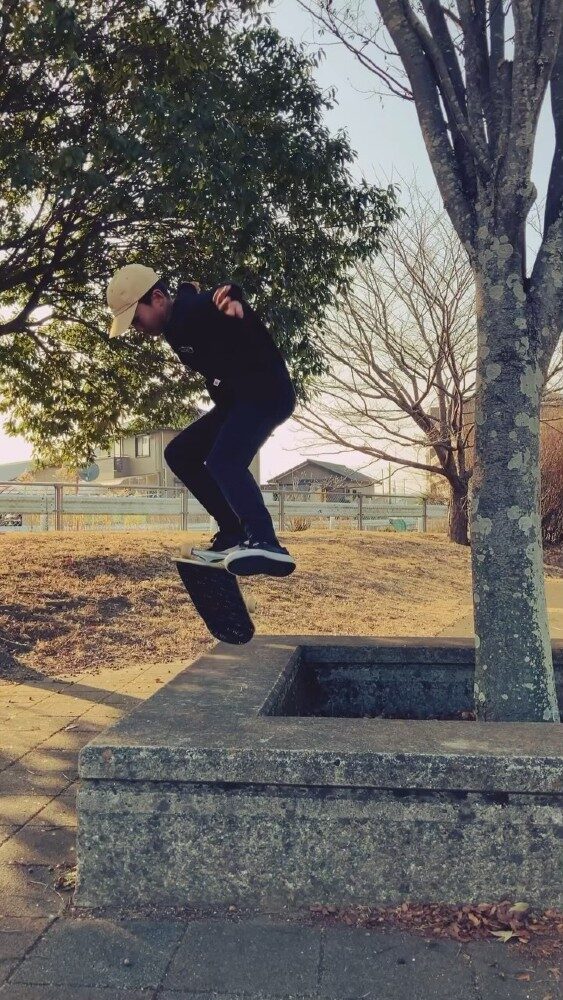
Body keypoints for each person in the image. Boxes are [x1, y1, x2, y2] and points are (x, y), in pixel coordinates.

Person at [106, 263, 296, 577]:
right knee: (180, 453)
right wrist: (189, 286)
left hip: (266, 393)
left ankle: (265, 540)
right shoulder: (174, 320)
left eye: (136, 319)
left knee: (225, 461)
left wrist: (230, 297)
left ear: (156, 298)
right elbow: (188, 289)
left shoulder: (193, 311)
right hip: (238, 401)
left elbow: (217, 294)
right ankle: (233, 531)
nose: (137, 328)